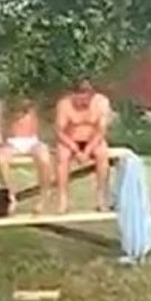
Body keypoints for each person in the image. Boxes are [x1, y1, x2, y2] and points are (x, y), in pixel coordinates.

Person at [54, 78, 111, 213]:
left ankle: (101, 197)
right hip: (70, 139)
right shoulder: (64, 104)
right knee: (62, 156)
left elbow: (101, 130)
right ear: (73, 96)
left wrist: (87, 150)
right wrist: (75, 148)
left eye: (87, 98)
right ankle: (63, 199)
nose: (84, 102)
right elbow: (59, 131)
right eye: (80, 99)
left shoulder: (101, 102)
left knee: (102, 154)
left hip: (93, 139)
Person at [0, 96, 52, 214]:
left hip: (32, 141)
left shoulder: (33, 110)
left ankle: (45, 194)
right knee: (0, 159)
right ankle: (10, 195)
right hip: (13, 142)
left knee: (44, 158)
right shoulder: (7, 113)